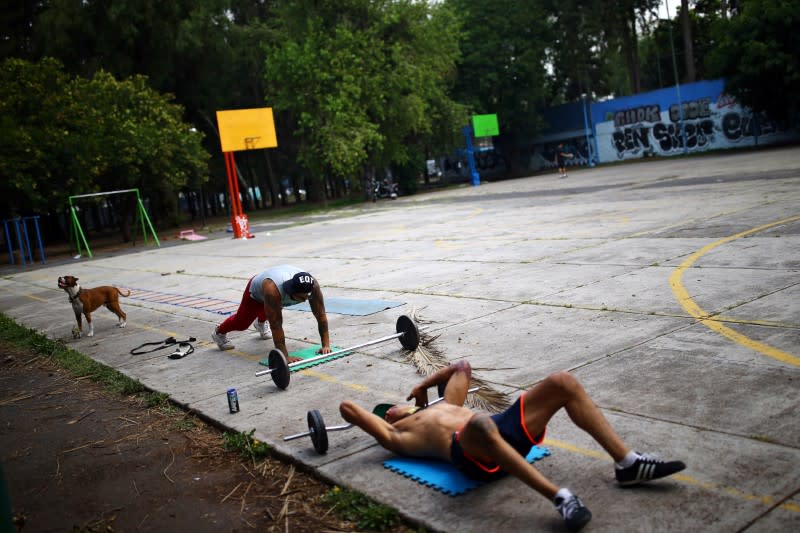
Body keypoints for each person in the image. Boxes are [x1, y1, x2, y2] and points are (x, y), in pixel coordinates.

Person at [339, 361, 685, 531]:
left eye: (395, 404)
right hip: (475, 454)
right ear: (391, 420)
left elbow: (461, 367)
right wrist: (381, 421)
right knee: (480, 423)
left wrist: (424, 384)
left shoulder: (444, 403)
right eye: (390, 410)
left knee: (562, 382)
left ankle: (627, 463)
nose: (394, 405)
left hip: (499, 432)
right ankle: (560, 498)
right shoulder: (400, 438)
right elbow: (348, 409)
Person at [211, 265, 331, 362]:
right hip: (256, 294)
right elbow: (276, 325)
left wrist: (325, 345)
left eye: (306, 296)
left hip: (274, 291)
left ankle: (260, 323)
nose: (305, 300)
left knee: (272, 309)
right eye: (300, 297)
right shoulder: (272, 291)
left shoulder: (313, 286)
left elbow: (321, 315)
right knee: (242, 323)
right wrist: (285, 357)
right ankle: (219, 332)